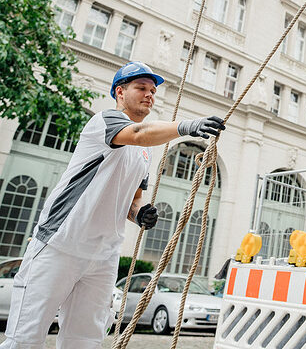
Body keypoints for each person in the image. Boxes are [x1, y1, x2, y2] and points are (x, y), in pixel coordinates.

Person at [1, 61, 226, 348]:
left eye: (153, 90)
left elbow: (133, 199)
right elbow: (140, 133)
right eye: (141, 88)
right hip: (60, 244)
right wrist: (187, 126)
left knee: (85, 339)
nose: (150, 95)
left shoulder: (144, 153)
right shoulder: (105, 121)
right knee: (25, 337)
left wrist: (140, 213)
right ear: (120, 92)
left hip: (102, 256)